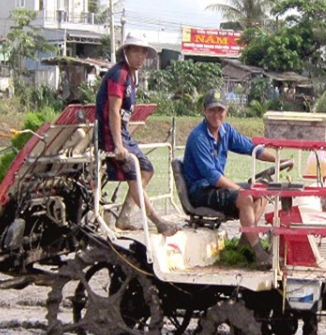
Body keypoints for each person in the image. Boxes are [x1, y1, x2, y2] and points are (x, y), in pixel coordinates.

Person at [182, 89, 276, 268]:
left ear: (226, 111)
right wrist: (240, 190)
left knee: (261, 191)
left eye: (220, 110)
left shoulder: (226, 131)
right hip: (201, 190)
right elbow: (213, 177)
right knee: (245, 196)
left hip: (215, 187)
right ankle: (259, 253)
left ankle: (245, 243)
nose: (216, 114)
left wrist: (278, 159)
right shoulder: (198, 137)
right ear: (204, 110)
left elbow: (251, 148)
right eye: (212, 110)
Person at [95, 34, 178, 236]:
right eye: (136, 51)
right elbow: (114, 111)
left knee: (147, 169)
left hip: (123, 133)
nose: (140, 56)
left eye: (143, 52)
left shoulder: (132, 76)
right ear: (126, 52)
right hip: (110, 134)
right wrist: (118, 145)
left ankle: (124, 216)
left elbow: (124, 113)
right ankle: (157, 220)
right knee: (133, 169)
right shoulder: (118, 75)